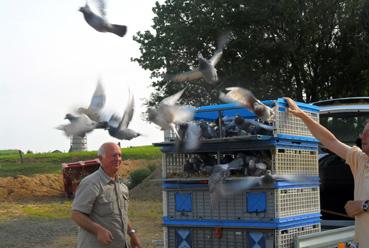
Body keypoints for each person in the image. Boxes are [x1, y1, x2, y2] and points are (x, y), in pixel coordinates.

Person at [285, 97, 369, 247]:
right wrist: (302, 115)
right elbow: (330, 141)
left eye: (368, 133)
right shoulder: (360, 160)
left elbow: (363, 206)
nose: (363, 137)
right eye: (363, 133)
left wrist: (364, 206)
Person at [71, 142, 142, 248]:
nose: (117, 158)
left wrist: (132, 234)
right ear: (100, 158)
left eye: (119, 155)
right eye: (113, 155)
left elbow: (122, 215)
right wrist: (98, 230)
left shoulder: (121, 186)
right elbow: (76, 214)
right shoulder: (91, 183)